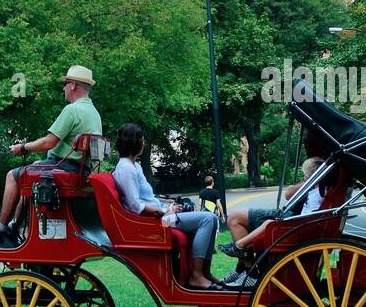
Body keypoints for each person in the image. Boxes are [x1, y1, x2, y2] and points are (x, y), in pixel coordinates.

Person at [0, 65, 102, 243]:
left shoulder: (72, 110)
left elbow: (49, 142)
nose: (63, 88)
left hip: (63, 166)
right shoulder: (94, 113)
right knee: (30, 173)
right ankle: (14, 226)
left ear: (73, 86)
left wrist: (22, 147)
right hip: (81, 169)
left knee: (12, 176)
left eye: (65, 84)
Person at [112, 123, 221, 291]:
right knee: (207, 219)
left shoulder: (134, 166)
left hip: (162, 217)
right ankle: (196, 275)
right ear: (134, 142)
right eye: (142, 139)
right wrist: (164, 211)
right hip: (158, 222)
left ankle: (205, 272)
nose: (144, 143)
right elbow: (135, 206)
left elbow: (146, 198)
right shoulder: (126, 169)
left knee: (212, 218)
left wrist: (166, 204)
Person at [219, 156, 330, 288]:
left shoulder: (317, 193)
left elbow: (307, 213)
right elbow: (290, 195)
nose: (304, 177)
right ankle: (241, 267)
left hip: (295, 224)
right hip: (293, 219)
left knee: (260, 222)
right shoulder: (317, 191)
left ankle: (246, 264)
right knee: (241, 218)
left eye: (306, 175)